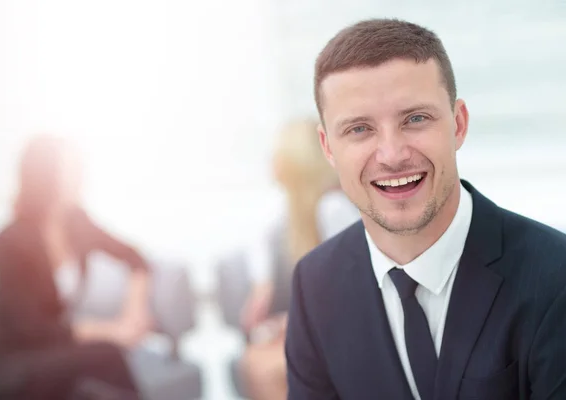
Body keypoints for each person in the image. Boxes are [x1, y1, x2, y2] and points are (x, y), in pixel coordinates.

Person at [285, 18, 566, 400]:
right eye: (359, 129)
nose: (392, 155)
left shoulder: (554, 277)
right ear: (328, 147)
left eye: (415, 119)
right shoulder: (314, 284)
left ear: (459, 124)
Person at [0, 135, 154, 400]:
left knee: (93, 390)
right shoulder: (10, 240)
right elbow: (30, 327)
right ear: (46, 177)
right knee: (108, 355)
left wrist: (134, 312)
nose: (81, 177)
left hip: (56, 354)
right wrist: (110, 330)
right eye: (72, 169)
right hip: (11, 362)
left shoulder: (76, 222)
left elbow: (136, 258)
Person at [240, 118, 359, 400]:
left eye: (277, 152)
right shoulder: (289, 215)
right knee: (254, 361)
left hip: (344, 332)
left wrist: (291, 324)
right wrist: (264, 288)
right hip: (315, 329)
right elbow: (261, 247)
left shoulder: (333, 209)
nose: (271, 160)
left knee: (266, 369)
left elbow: (350, 296)